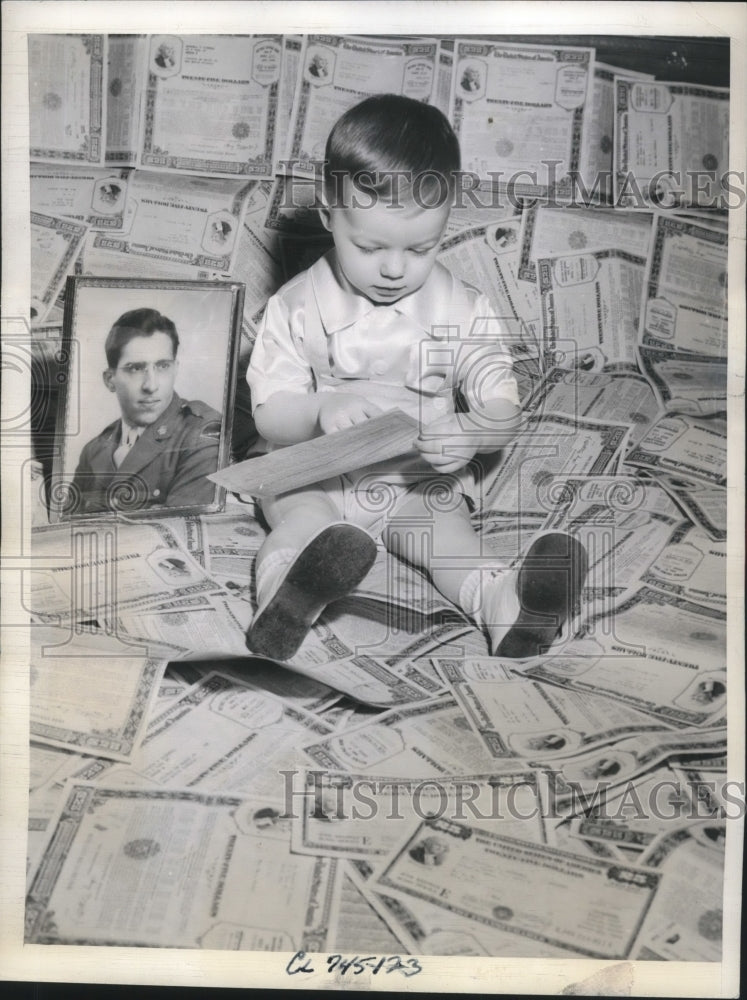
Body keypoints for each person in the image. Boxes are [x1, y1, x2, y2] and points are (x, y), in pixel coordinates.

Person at [245, 94, 587, 661]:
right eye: (369, 246)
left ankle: (505, 604)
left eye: (421, 248)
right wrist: (318, 411)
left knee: (446, 536)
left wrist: (473, 431)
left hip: (413, 479)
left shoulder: (462, 309)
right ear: (328, 213)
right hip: (313, 472)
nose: (394, 268)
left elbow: (503, 407)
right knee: (302, 518)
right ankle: (284, 596)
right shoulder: (296, 305)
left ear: (447, 220)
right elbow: (269, 412)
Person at [71, 307, 222, 514]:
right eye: (135, 368)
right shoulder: (93, 450)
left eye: (162, 366)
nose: (151, 385)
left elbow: (181, 527)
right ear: (110, 380)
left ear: (175, 369)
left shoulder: (202, 433)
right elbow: (67, 526)